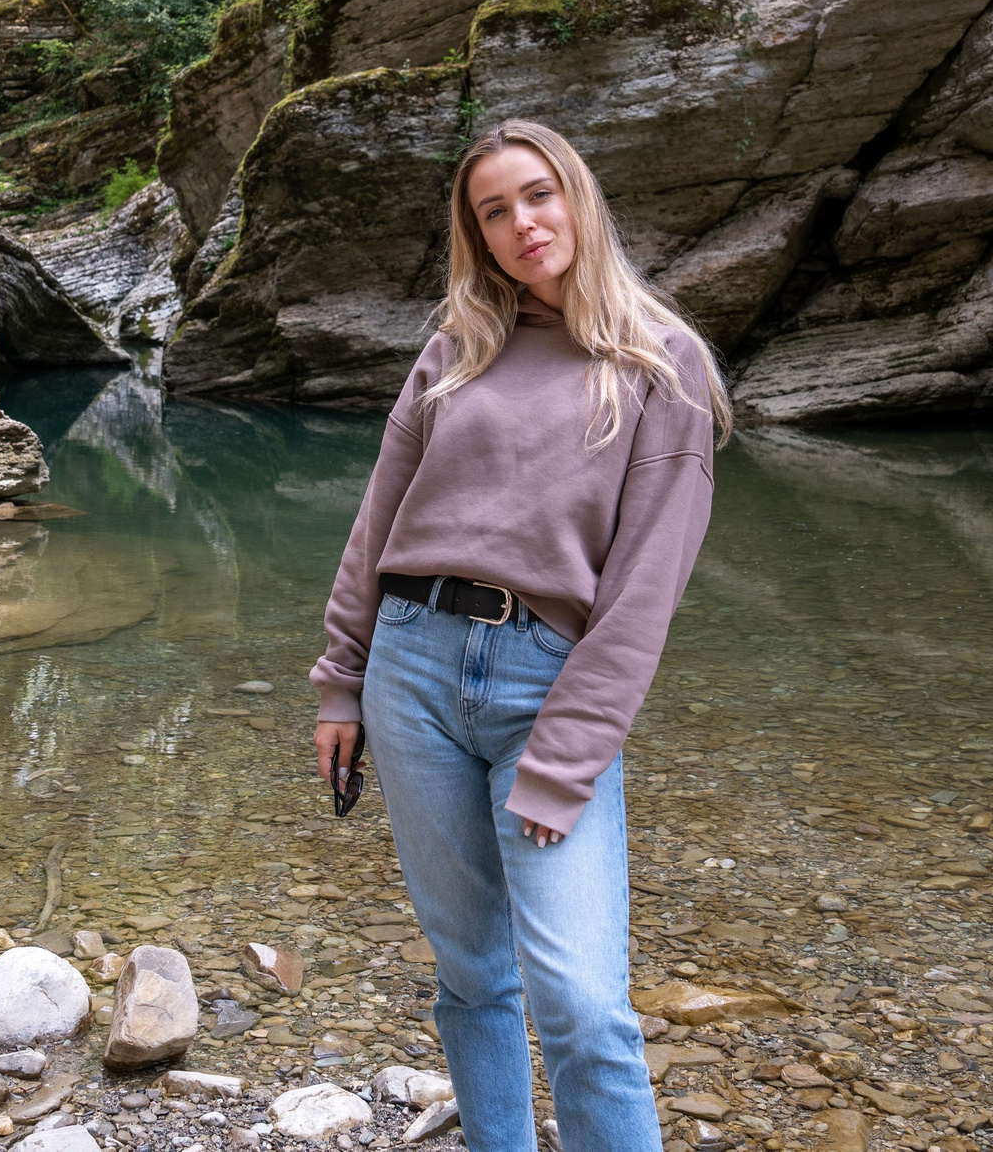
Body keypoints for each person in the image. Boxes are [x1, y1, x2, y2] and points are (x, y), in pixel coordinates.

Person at [309, 119, 729, 1152]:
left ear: (577, 198)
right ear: (477, 235)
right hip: (407, 671)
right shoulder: (457, 347)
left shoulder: (662, 367)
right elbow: (378, 520)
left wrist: (566, 761)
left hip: (547, 682)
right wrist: (339, 683)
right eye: (493, 211)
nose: (521, 223)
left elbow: (641, 597)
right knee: (471, 973)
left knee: (584, 1005)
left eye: (536, 195)